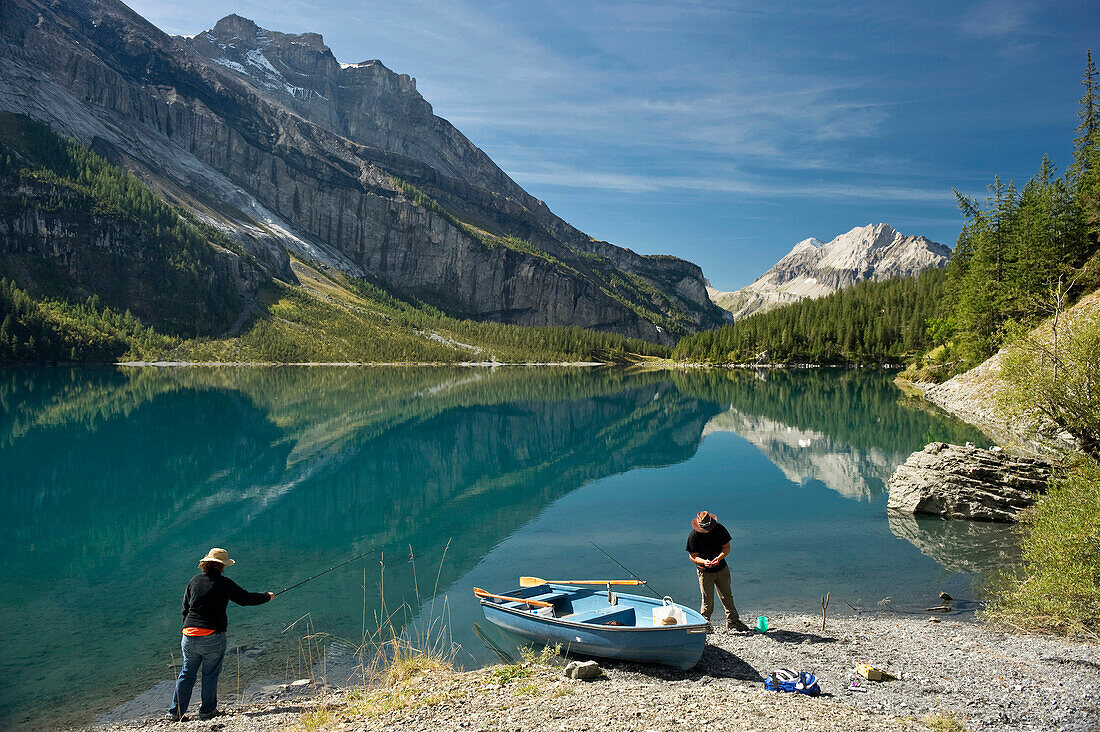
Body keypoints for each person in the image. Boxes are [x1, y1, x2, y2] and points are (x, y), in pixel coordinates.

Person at [166, 548, 274, 722]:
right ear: (222, 566)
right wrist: (266, 597)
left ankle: (175, 713)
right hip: (212, 636)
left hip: (188, 635)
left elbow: (185, 609)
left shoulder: (194, 581)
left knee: (187, 673)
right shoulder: (224, 583)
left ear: (205, 564)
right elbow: (245, 599)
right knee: (209, 674)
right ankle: (207, 711)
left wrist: (190, 629)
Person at [686, 511, 749, 631]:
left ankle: (733, 621)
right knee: (707, 600)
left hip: (721, 569)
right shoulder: (694, 535)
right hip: (704, 572)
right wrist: (704, 562)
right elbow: (693, 556)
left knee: (727, 596)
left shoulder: (720, 529)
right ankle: (705, 623)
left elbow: (726, 548)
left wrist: (719, 558)